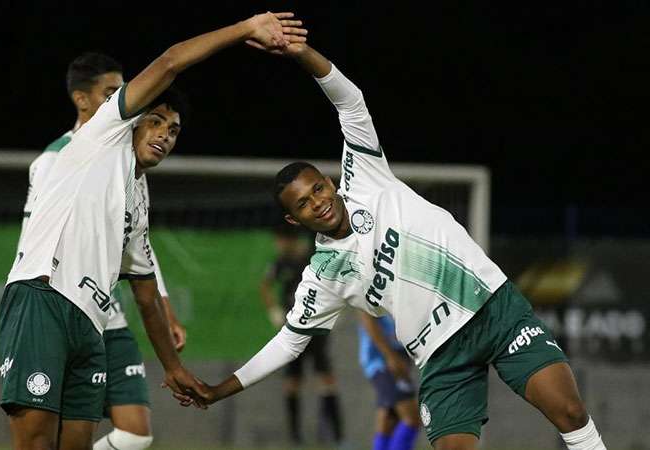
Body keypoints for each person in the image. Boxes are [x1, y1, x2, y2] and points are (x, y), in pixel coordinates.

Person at [185, 42, 608, 450]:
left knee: (569, 411)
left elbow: (350, 101)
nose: (318, 201)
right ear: (294, 220)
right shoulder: (322, 275)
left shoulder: (366, 176)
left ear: (329, 181)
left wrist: (301, 54)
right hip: (441, 357)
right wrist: (221, 388)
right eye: (304, 204)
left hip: (493, 309)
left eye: (318, 188)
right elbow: (288, 342)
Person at [0, 13, 307, 450]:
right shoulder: (102, 135)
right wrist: (245, 29)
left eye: (174, 130)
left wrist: (174, 368)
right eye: (156, 121)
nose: (164, 135)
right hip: (43, 299)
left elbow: (144, 291)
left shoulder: (138, 198)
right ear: (132, 119)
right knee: (35, 442)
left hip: (91, 322)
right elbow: (170, 62)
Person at [18, 51, 187, 450]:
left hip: (103, 311)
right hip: (56, 304)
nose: (121, 99)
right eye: (112, 92)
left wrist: (165, 305)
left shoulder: (129, 159)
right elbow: (35, 237)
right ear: (82, 99)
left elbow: (136, 242)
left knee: (135, 433)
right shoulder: (58, 158)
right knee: (47, 432)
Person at [260, 223, 343, 445]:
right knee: (292, 382)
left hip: (316, 328)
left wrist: (333, 310)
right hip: (293, 330)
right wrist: (274, 311)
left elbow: (331, 284)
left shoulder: (310, 259)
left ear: (290, 239)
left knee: (327, 380)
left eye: (280, 239)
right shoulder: (279, 262)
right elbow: (265, 286)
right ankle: (295, 437)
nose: (278, 244)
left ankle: (336, 436)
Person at [358, 312, 420, 450]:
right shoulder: (370, 291)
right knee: (412, 418)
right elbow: (366, 318)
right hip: (383, 362)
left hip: (396, 358)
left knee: (389, 420)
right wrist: (391, 356)